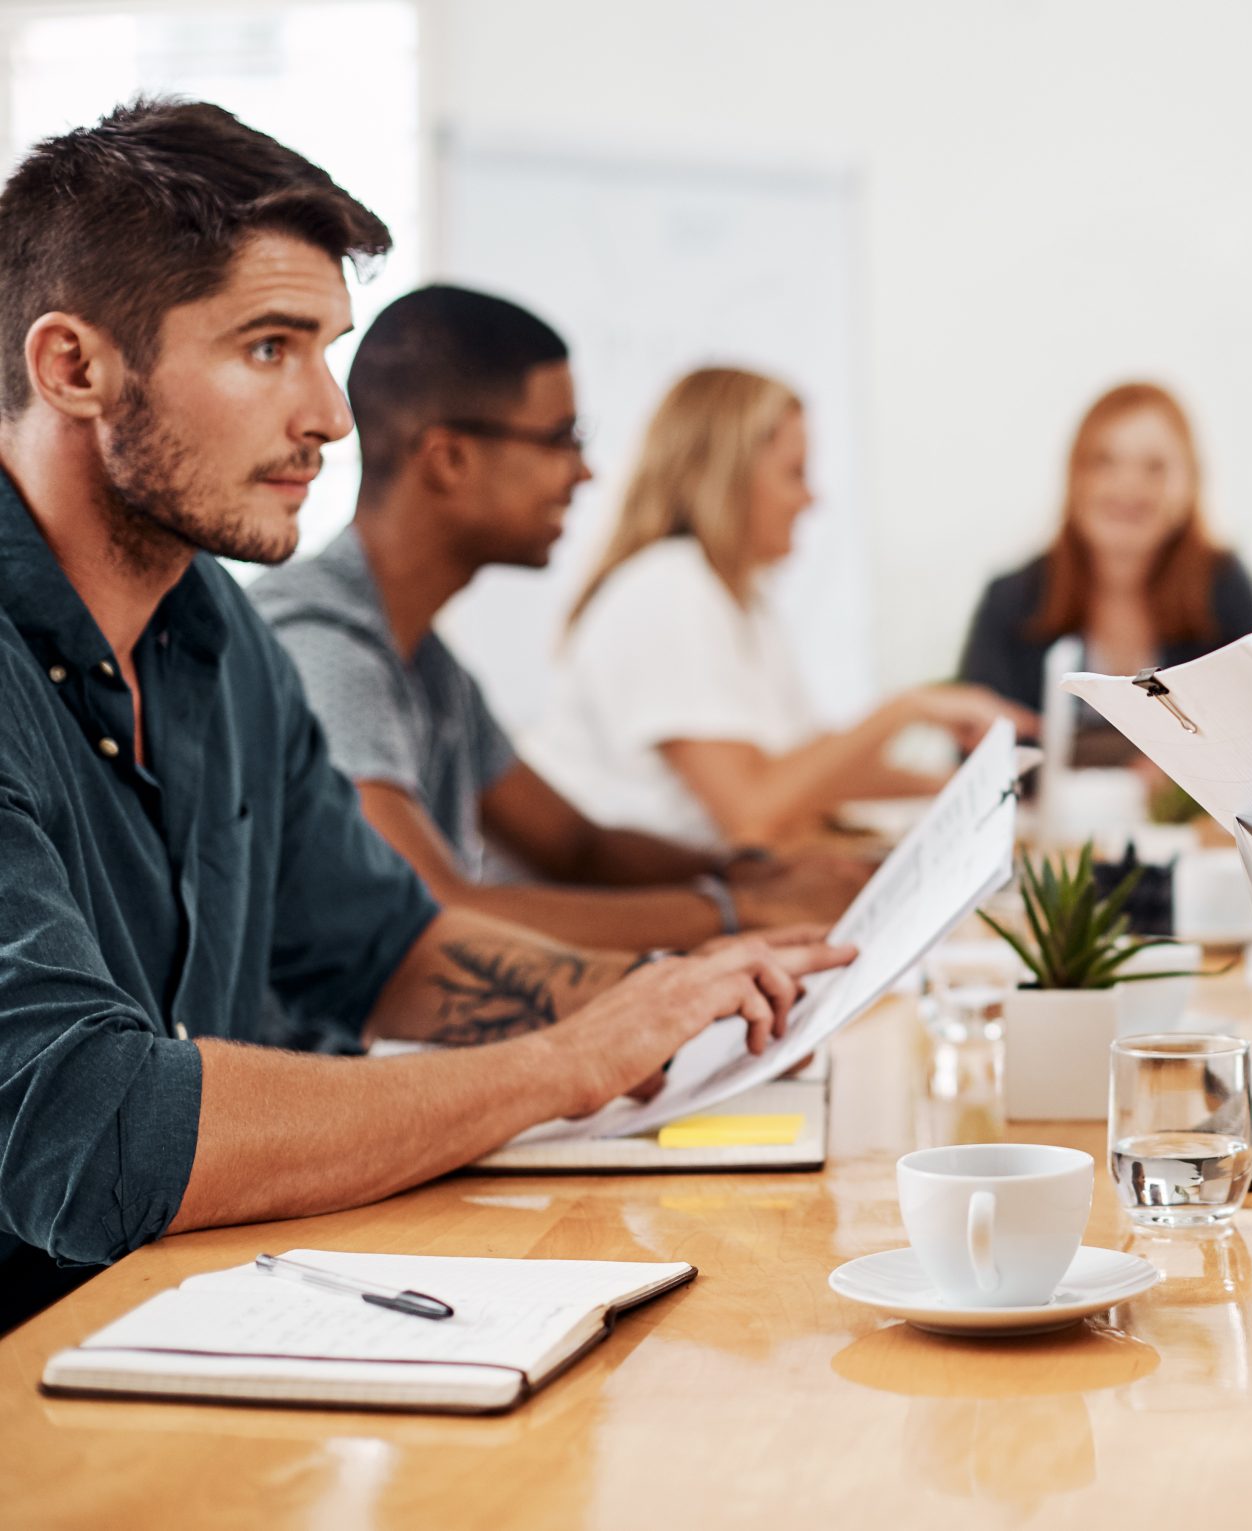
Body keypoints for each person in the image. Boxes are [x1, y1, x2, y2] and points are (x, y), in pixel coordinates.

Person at [0, 100, 850, 1328]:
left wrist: (667, 997)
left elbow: (384, 945)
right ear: (74, 367)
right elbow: (87, 1127)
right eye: (267, 349)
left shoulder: (220, 634)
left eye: (327, 350)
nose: (332, 419)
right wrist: (562, 1063)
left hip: (207, 1317)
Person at [250, 287, 866, 950]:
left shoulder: (427, 661)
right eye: (560, 440)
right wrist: (742, 911)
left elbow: (577, 846)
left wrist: (747, 874)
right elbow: (433, 915)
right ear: (449, 459)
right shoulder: (322, 644)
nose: (586, 472)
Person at [533, 367, 1031, 850]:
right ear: (729, 478)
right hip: (634, 908)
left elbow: (810, 779)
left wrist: (962, 789)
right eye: (795, 474)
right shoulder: (667, 590)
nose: (810, 499)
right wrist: (907, 709)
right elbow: (751, 811)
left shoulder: (741, 602)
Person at [959, 382, 1252, 730]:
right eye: (1104, 462)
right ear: (1075, 478)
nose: (1128, 484)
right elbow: (977, 753)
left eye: (1155, 467)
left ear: (1190, 484)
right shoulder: (1010, 601)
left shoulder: (1223, 590)